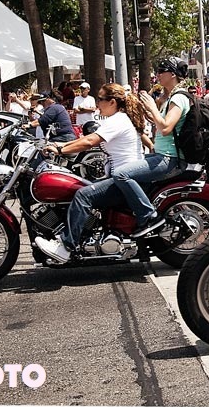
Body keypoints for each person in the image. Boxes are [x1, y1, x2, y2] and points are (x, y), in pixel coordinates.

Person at [34, 83, 145, 263]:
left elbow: (90, 142)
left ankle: (66, 246)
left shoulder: (118, 120)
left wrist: (61, 151)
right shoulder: (115, 119)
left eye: (101, 99)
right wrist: (59, 146)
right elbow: (86, 138)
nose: (98, 103)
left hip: (124, 181)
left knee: (83, 195)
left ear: (113, 102)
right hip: (121, 177)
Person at [113, 57, 192, 234]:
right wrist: (149, 109)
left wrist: (153, 107)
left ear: (172, 74)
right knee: (122, 167)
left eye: (161, 71)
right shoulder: (170, 97)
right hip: (161, 154)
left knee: (121, 174)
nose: (157, 75)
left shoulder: (179, 98)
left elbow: (165, 128)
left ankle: (149, 215)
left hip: (169, 158)